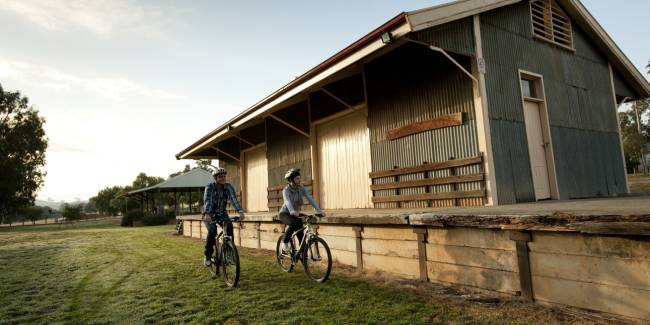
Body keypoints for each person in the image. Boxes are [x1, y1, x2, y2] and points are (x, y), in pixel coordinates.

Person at [202, 167, 245, 266]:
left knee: (229, 226)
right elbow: (207, 200)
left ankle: (229, 253)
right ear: (215, 178)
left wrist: (240, 211)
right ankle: (207, 255)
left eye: (224, 176)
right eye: (220, 176)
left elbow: (233, 199)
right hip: (209, 214)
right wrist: (207, 214)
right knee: (212, 231)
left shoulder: (228, 186)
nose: (223, 178)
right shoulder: (210, 187)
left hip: (222, 213)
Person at [279, 168, 325, 253]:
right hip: (285, 213)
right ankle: (284, 243)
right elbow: (287, 201)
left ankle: (303, 256)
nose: (299, 180)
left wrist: (319, 211)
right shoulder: (286, 190)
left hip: (296, 213)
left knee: (301, 236)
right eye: (297, 178)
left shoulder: (301, 188)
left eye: (299, 178)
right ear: (291, 180)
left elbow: (310, 198)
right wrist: (292, 211)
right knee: (293, 224)